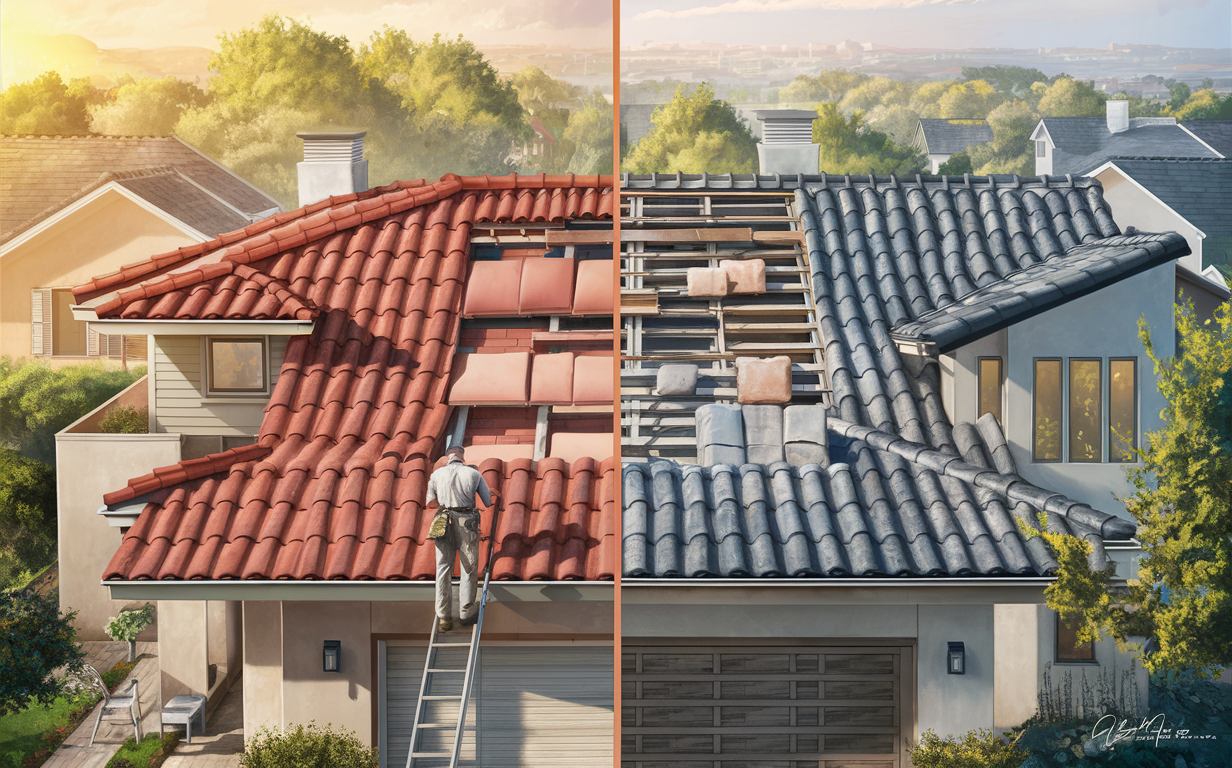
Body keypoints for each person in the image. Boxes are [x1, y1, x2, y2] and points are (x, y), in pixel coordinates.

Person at [425, 445, 492, 633]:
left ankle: (444, 617)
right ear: (463, 457)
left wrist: (445, 499)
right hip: (466, 521)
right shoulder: (474, 474)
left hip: (443, 520)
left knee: (443, 568)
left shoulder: (437, 475)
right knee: (468, 567)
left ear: (448, 457)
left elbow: (430, 502)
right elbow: (487, 501)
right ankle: (465, 612)